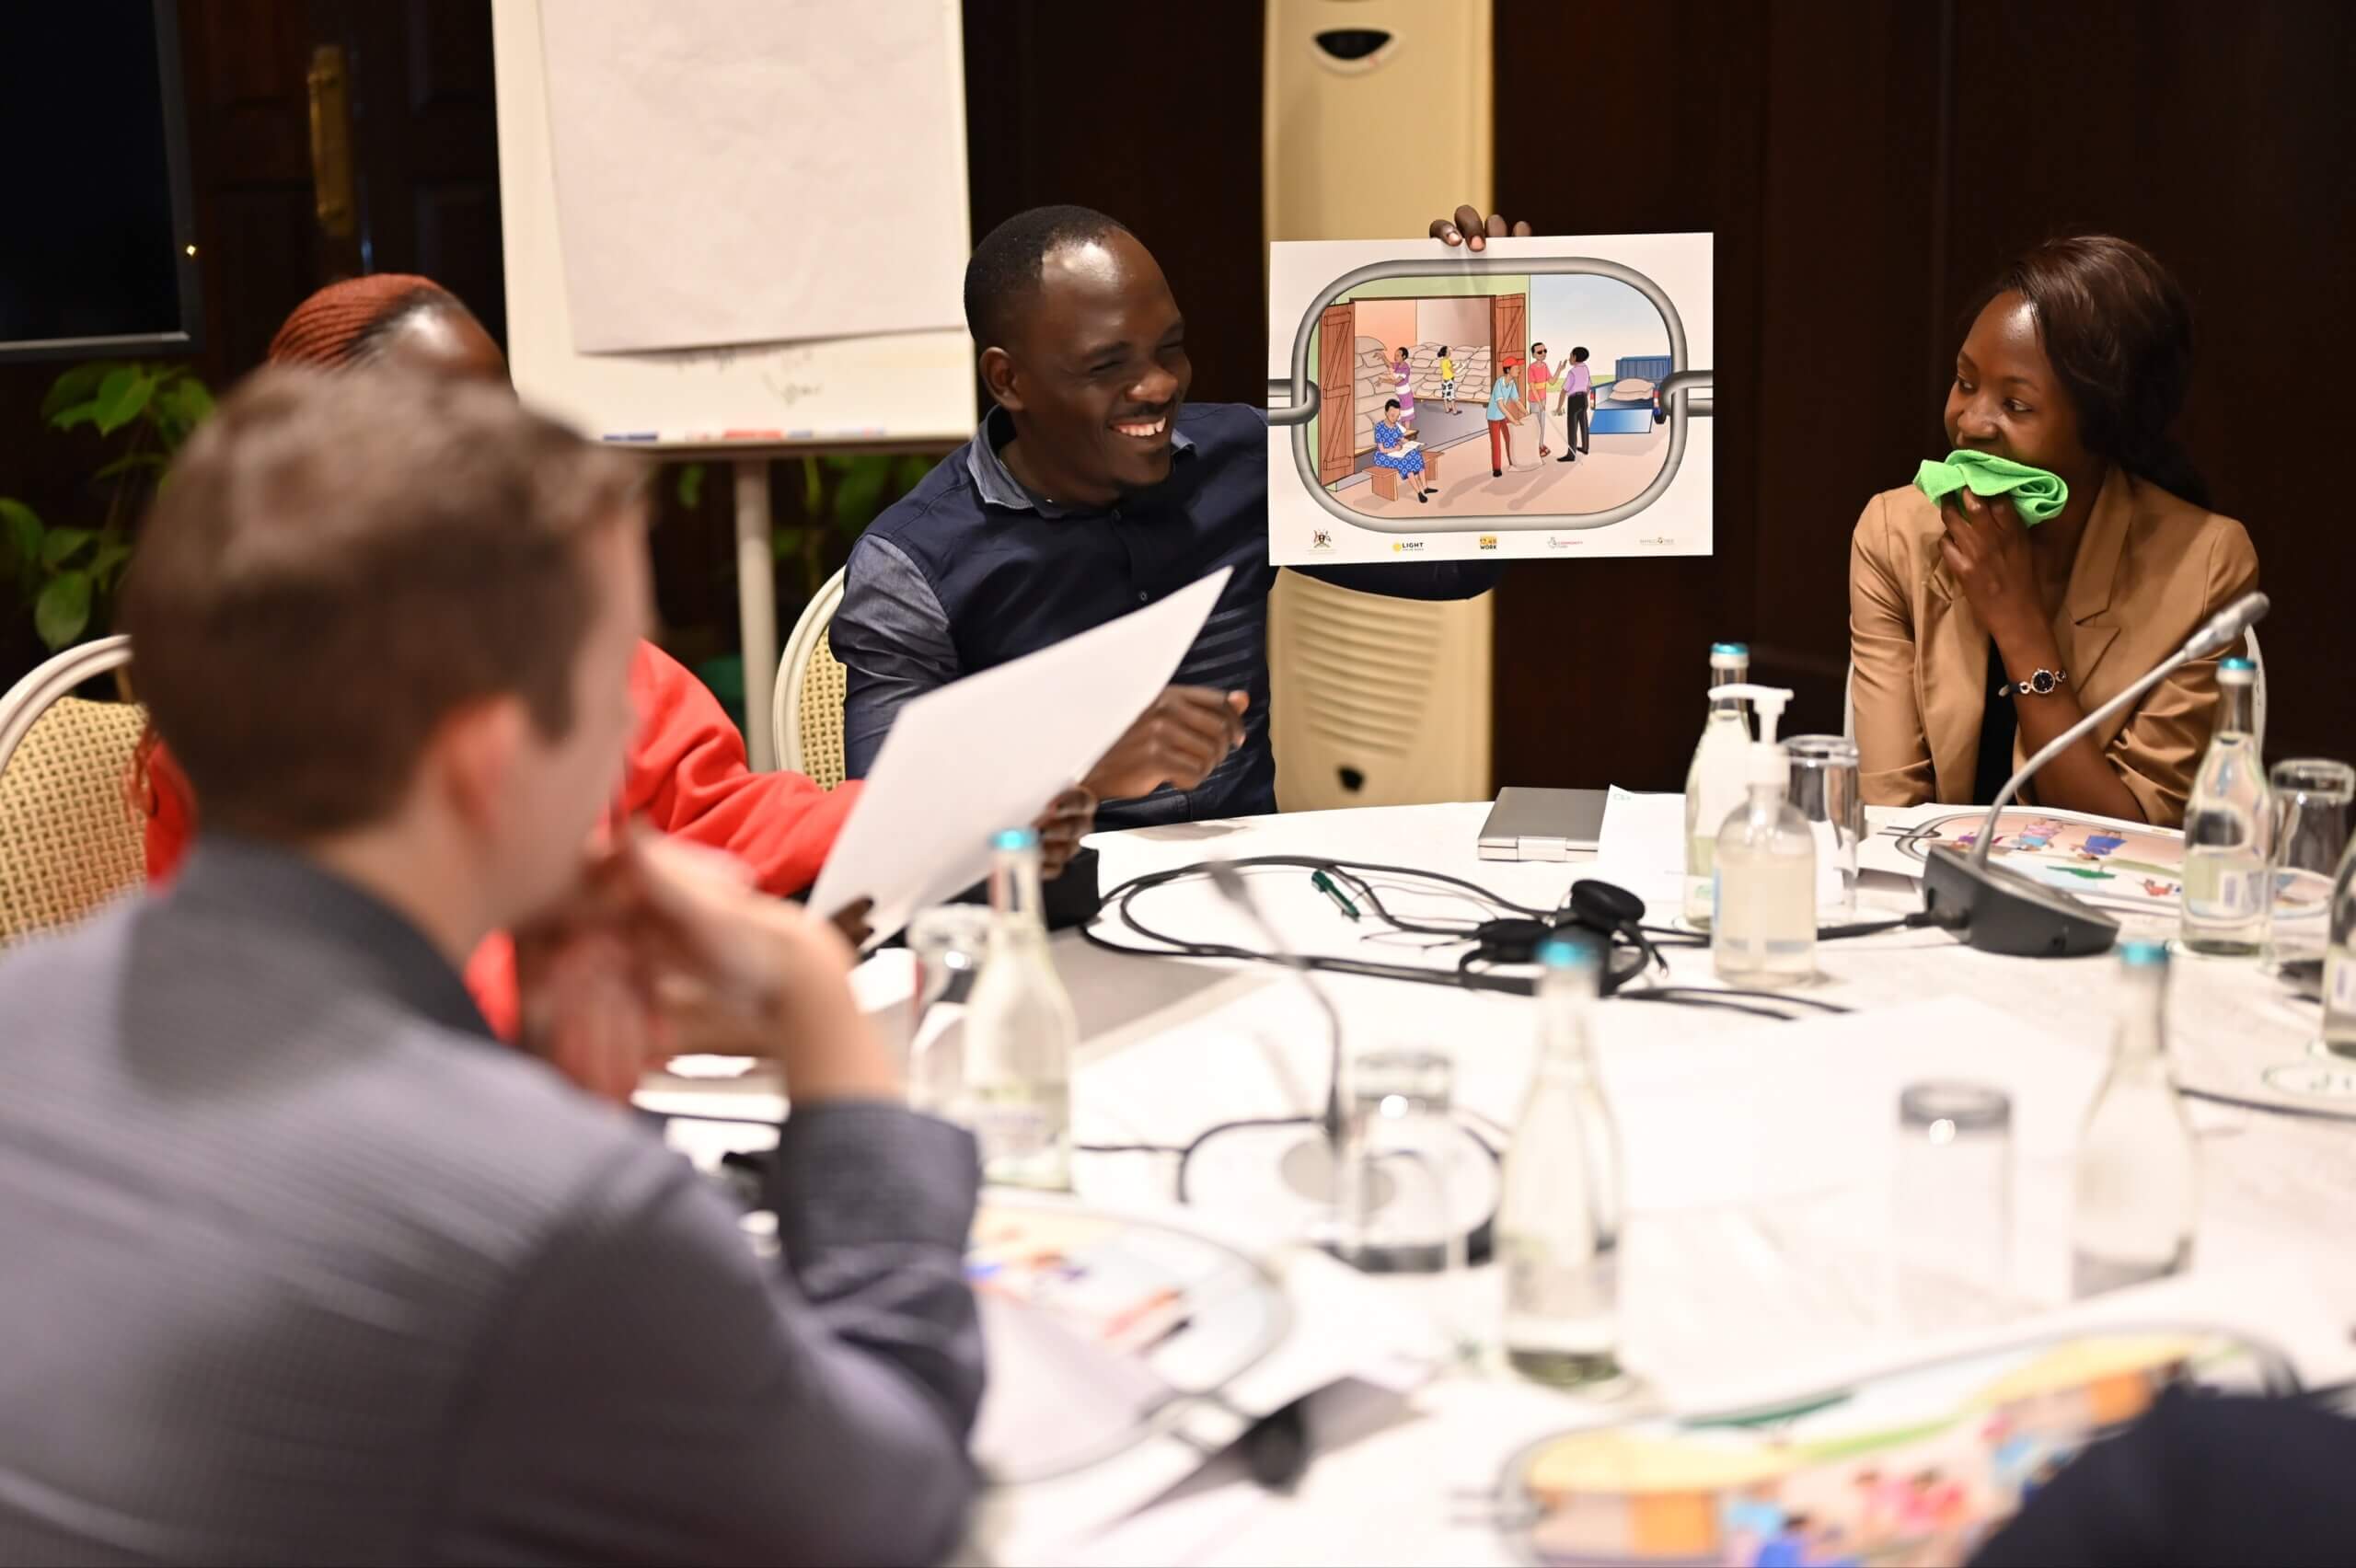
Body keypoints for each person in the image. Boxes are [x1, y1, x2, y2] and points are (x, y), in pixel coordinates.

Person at [0, 369, 984, 1564]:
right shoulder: (552, 1216)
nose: (635, 728)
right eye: (607, 680)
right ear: (490, 760)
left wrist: (547, 1088)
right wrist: (817, 1011)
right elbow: (889, 1506)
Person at [134, 274, 1091, 1044]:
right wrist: (674, 985)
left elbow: (714, 812)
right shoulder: (246, 715)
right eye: (441, 428)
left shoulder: (563, 641)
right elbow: (305, 997)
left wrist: (944, 807)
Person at [832, 205, 1502, 828]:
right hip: (1048, 918)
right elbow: (882, 830)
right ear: (1009, 381)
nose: (1159, 385)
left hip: (1249, 889)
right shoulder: (915, 565)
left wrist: (1504, 313)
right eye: (1107, 365)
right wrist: (1083, 775)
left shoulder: (1237, 458)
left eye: (1170, 348)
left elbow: (1454, 568)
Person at [1848, 236, 2259, 826]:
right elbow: (1888, 816)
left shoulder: (2204, 565)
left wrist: (2019, 627)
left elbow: (2131, 838)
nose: (1970, 422)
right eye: (1966, 382)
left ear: (2103, 428)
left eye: (2016, 406)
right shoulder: (1895, 534)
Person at [1369, 398, 1433, 502]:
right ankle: (1419, 493)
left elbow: (1402, 439)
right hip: (1383, 456)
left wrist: (1411, 444)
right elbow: (1381, 449)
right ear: (1386, 413)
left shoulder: (1395, 426)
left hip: (1396, 452)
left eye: (1397, 416)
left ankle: (1425, 487)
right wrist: (1395, 448)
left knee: (1416, 454)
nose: (1395, 418)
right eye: (1392, 415)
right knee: (1405, 462)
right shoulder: (1379, 427)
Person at [1486, 353, 1525, 478]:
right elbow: (1501, 405)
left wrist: (1526, 413)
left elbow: (1516, 400)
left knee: (1510, 439)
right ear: (1508, 370)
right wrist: (1513, 420)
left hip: (1503, 416)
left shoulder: (1512, 383)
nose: (1519, 370)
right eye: (1516, 368)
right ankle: (1496, 469)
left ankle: (1512, 462)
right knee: (1496, 443)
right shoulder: (1499, 383)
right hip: (1494, 416)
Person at [1555, 345, 1593, 462]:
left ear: (1575, 357)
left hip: (1574, 400)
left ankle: (1571, 455)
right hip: (1583, 399)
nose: (1569, 358)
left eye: (1571, 355)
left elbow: (1564, 391)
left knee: (1572, 427)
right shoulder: (1586, 368)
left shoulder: (1572, 372)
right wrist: (1584, 397)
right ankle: (1585, 448)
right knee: (1584, 423)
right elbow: (1589, 385)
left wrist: (1559, 407)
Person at [1525, 341, 1553, 458]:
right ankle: (1535, 447)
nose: (1543, 354)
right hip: (1534, 400)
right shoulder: (1531, 368)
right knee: (1535, 425)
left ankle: (1541, 444)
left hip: (1543, 400)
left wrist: (1559, 370)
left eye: (1545, 351)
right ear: (1533, 354)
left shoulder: (1545, 366)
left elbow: (1551, 381)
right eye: (1540, 352)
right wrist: (1539, 402)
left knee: (1542, 424)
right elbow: (1532, 386)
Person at [1391, 345, 1419, 436]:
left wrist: (1383, 380)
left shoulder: (1405, 368)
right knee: (1398, 414)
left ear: (1404, 357)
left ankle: (1407, 434)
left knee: (1406, 415)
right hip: (1398, 394)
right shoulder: (1398, 365)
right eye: (1395, 355)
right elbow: (1390, 364)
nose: (1395, 357)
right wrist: (1383, 357)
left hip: (1405, 394)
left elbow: (1396, 381)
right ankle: (1400, 433)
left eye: (1398, 355)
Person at [1438, 344, 1459, 415]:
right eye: (1448, 351)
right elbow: (1452, 371)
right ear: (1445, 353)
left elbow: (1445, 368)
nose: (1450, 352)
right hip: (1450, 380)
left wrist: (1451, 363)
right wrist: (1459, 367)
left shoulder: (1442, 361)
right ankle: (1455, 411)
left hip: (1444, 380)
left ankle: (1447, 409)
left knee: (1445, 395)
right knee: (1452, 395)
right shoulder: (1448, 361)